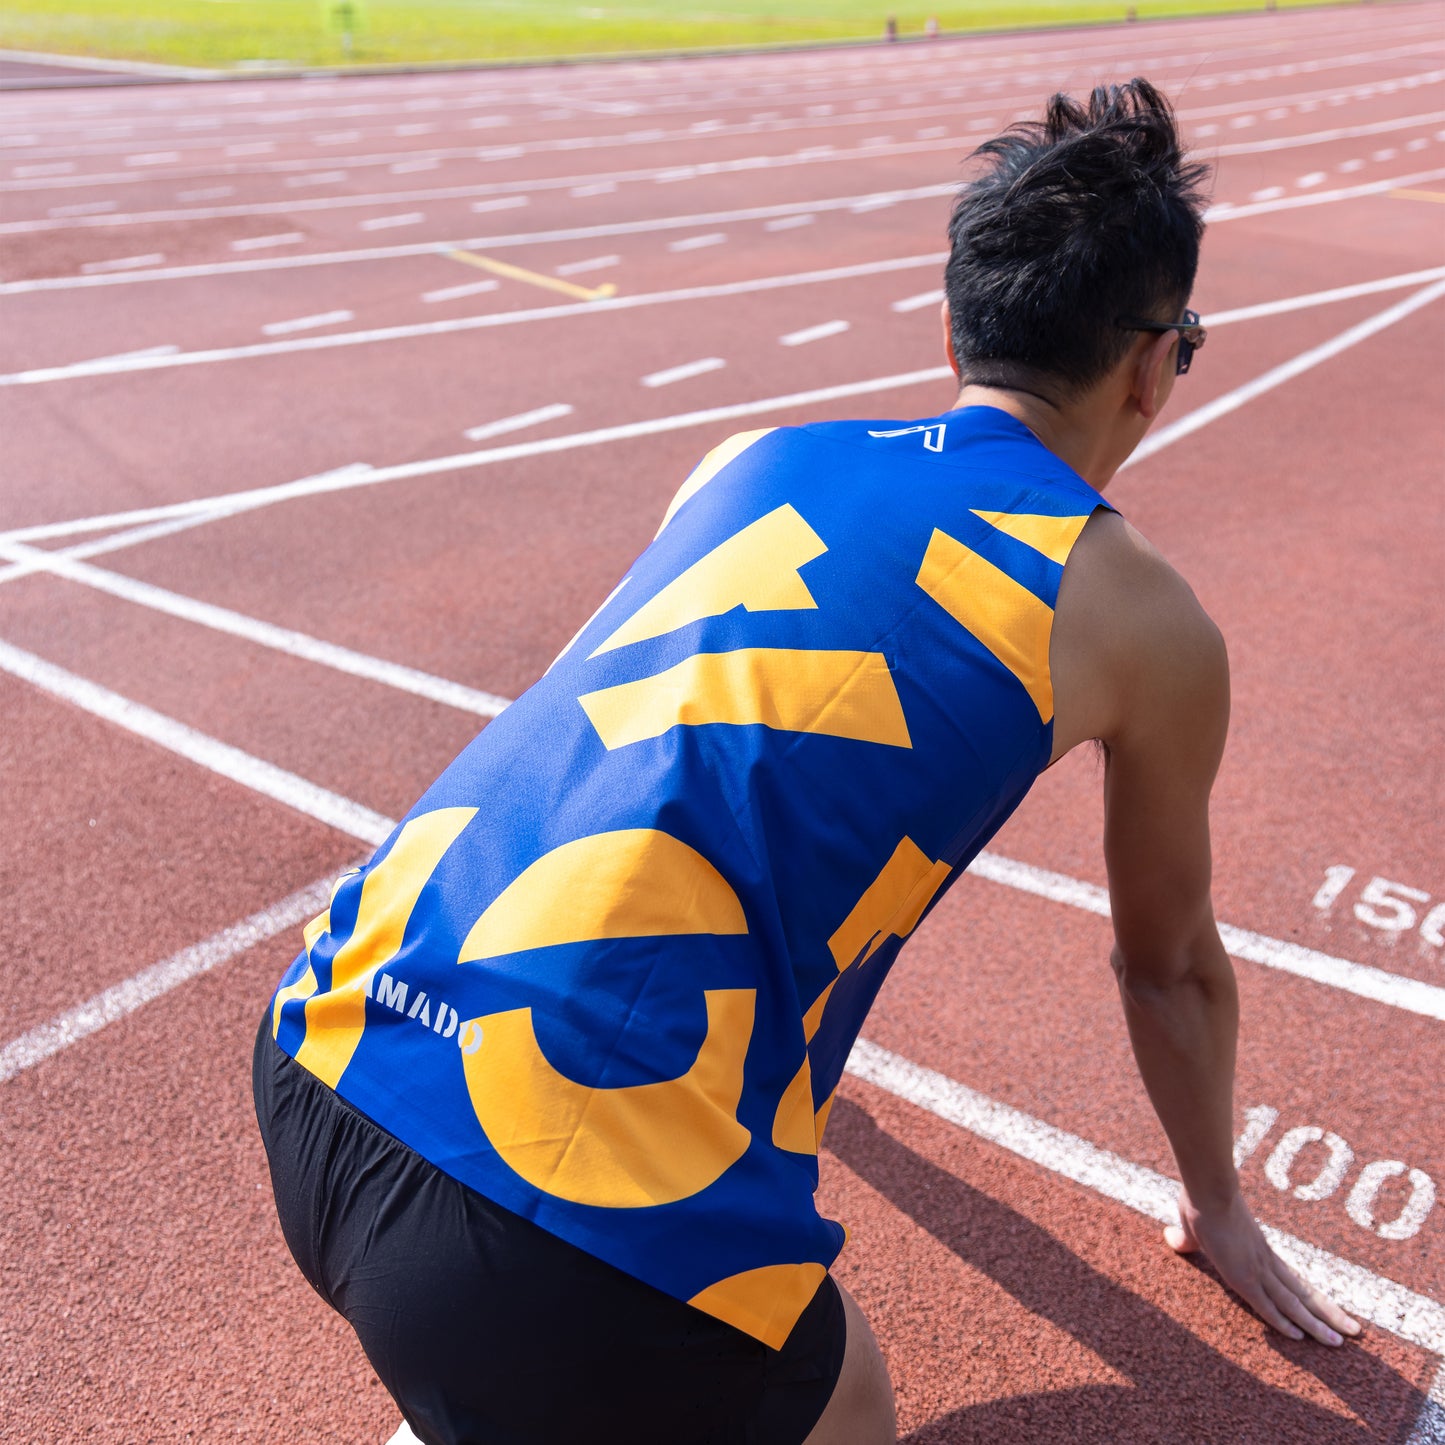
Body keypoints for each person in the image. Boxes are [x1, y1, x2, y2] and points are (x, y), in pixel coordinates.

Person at [253, 79, 1359, 1445]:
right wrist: (1214, 1201)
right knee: (848, 1407)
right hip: (554, 1251)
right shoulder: (1137, 614)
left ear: (956, 327)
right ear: (1147, 362)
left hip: (323, 1056)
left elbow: (659, 748)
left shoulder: (746, 456)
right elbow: (1168, 963)